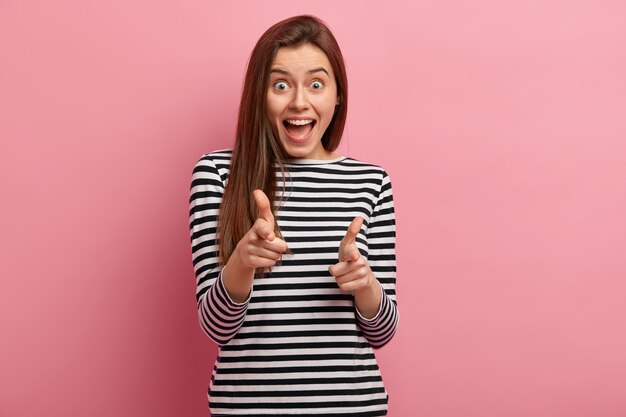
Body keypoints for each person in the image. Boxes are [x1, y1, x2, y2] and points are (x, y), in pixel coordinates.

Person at [189, 15, 399, 417]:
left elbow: (382, 331)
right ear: (259, 94)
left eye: (316, 84)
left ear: (337, 95)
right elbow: (215, 327)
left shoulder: (371, 182)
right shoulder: (218, 174)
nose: (299, 102)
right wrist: (242, 261)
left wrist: (365, 284)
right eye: (280, 84)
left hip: (352, 408)